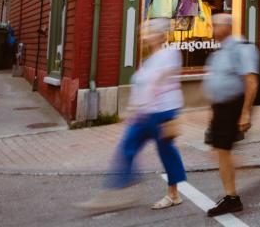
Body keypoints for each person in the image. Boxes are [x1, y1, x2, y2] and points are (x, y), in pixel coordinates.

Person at [78, 19, 186, 212]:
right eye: (144, 32)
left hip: (163, 112)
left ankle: (173, 194)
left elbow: (160, 80)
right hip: (144, 114)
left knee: (167, 152)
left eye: (150, 31)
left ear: (161, 35)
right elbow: (143, 85)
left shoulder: (170, 54)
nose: (144, 35)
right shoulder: (148, 60)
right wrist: (134, 109)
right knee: (127, 148)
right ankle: (111, 193)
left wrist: (147, 102)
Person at [203, 13, 260, 217]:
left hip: (233, 106)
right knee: (220, 150)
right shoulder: (219, 52)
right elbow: (216, 82)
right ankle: (234, 191)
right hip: (221, 107)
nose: (213, 29)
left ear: (228, 26)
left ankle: (232, 198)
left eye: (216, 25)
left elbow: (251, 81)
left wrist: (246, 112)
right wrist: (212, 110)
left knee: (223, 149)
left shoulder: (242, 48)